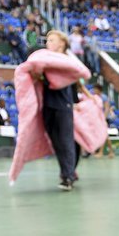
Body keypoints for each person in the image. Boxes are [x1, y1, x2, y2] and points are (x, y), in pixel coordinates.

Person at [40, 30, 83, 191]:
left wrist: (75, 102)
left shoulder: (68, 61)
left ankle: (68, 176)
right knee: (58, 144)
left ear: (62, 43)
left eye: (51, 40)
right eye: (47, 40)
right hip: (48, 105)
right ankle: (67, 172)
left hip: (63, 105)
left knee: (66, 142)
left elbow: (74, 82)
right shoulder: (45, 60)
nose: (47, 43)